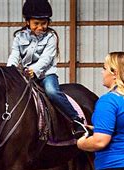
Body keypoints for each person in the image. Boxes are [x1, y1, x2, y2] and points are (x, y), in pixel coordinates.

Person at [6, 0, 86, 138]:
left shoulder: (51, 37)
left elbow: (46, 58)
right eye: (36, 23)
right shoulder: (19, 36)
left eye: (43, 23)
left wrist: (34, 70)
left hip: (45, 74)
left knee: (52, 92)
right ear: (28, 22)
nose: (40, 27)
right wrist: (10, 70)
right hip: (25, 74)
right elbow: (14, 54)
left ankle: (76, 120)